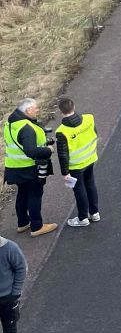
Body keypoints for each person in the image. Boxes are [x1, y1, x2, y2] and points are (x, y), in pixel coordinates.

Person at [4, 99, 56, 238]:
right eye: (35, 108)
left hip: (14, 167)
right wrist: (48, 150)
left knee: (22, 193)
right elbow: (31, 151)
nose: (38, 110)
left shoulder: (11, 123)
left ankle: (22, 223)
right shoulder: (27, 128)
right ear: (27, 111)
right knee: (34, 194)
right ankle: (37, 226)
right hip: (29, 168)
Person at [54, 97, 101, 227]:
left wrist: (65, 172)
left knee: (80, 190)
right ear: (73, 107)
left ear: (61, 112)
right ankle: (94, 213)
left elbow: (63, 155)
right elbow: (95, 133)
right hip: (90, 159)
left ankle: (82, 218)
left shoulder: (61, 131)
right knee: (90, 185)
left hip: (76, 166)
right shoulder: (89, 119)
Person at [0, 227, 25, 333]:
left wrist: (15, 293)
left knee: (9, 329)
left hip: (7, 299)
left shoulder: (10, 248)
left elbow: (21, 268)